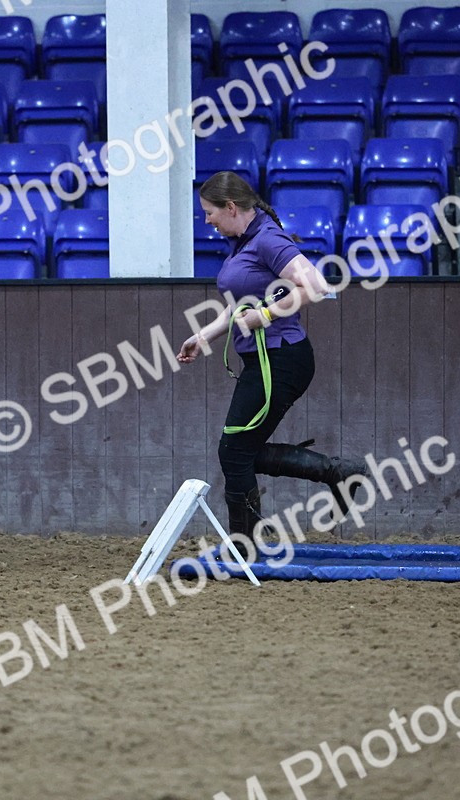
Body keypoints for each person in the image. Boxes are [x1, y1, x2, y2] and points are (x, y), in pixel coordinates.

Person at [176, 171, 364, 559]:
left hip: (281, 358)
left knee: (234, 452)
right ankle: (337, 471)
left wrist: (264, 316)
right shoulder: (243, 241)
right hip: (266, 360)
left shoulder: (266, 239)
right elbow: (237, 307)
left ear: (231, 207)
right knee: (241, 452)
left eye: (210, 212)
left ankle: (244, 550)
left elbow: (315, 286)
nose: (207, 220)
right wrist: (203, 336)